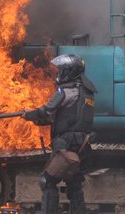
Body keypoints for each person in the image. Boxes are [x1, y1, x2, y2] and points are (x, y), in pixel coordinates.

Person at [22, 54, 97, 214]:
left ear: (69, 72)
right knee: (74, 184)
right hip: (81, 145)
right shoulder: (88, 93)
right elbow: (69, 117)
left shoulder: (65, 91)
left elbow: (47, 110)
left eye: (61, 71)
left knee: (47, 181)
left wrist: (29, 115)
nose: (59, 74)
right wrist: (40, 121)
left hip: (65, 144)